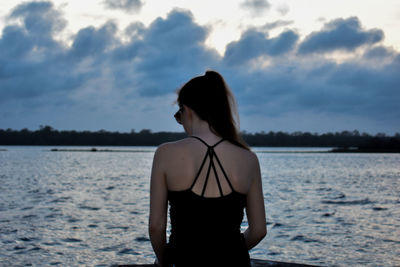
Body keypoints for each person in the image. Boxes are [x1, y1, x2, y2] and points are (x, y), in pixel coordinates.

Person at [149, 70, 266, 267]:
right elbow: (259, 231)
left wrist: (164, 260)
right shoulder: (249, 158)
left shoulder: (166, 153)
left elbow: (156, 226)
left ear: (188, 110)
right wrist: (228, 252)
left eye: (179, 115)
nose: (181, 122)